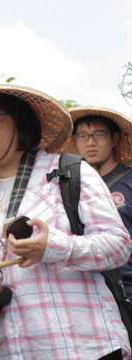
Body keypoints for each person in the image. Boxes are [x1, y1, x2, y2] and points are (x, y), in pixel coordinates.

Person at [0, 84, 131, 359]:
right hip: (9, 351)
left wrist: (55, 247)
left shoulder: (69, 172)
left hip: (83, 347)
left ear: (20, 120)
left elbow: (118, 246)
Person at [65, 107, 132, 300]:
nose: (90, 142)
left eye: (99, 134)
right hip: (86, 292)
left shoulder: (129, 181)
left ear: (115, 138)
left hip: (127, 288)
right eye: (83, 136)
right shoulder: (69, 187)